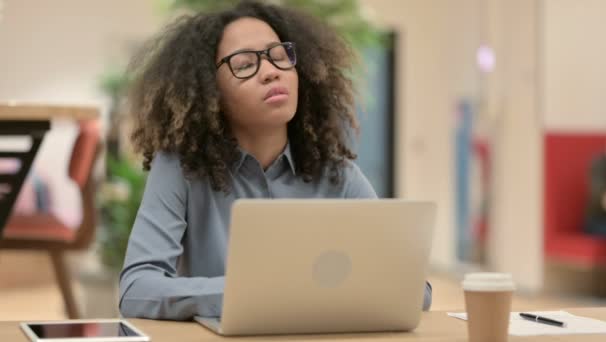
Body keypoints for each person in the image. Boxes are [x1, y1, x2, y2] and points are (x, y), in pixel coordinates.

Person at [118, 0, 432, 320]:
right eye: (244, 65)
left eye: (279, 57)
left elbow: (413, 289)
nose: (270, 72)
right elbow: (137, 289)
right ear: (210, 90)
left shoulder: (339, 176)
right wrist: (255, 292)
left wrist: (299, 294)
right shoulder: (180, 169)